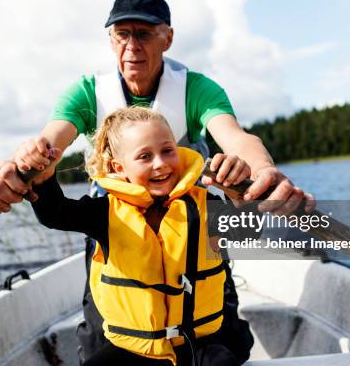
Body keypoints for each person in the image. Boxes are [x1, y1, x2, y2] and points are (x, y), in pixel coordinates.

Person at [0, 0, 314, 362]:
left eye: (144, 34)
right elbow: (47, 146)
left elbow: (235, 139)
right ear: (110, 39)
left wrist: (263, 173)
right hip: (117, 233)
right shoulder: (86, 94)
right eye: (122, 34)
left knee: (222, 339)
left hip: (195, 230)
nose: (131, 46)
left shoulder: (197, 89)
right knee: (104, 349)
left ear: (168, 37)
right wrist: (23, 169)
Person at [24, 107, 249, 365]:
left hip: (197, 345)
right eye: (145, 156)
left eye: (167, 150)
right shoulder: (105, 212)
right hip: (133, 351)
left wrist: (238, 197)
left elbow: (242, 233)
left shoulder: (203, 203)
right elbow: (56, 214)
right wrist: (44, 177)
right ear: (120, 168)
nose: (160, 163)